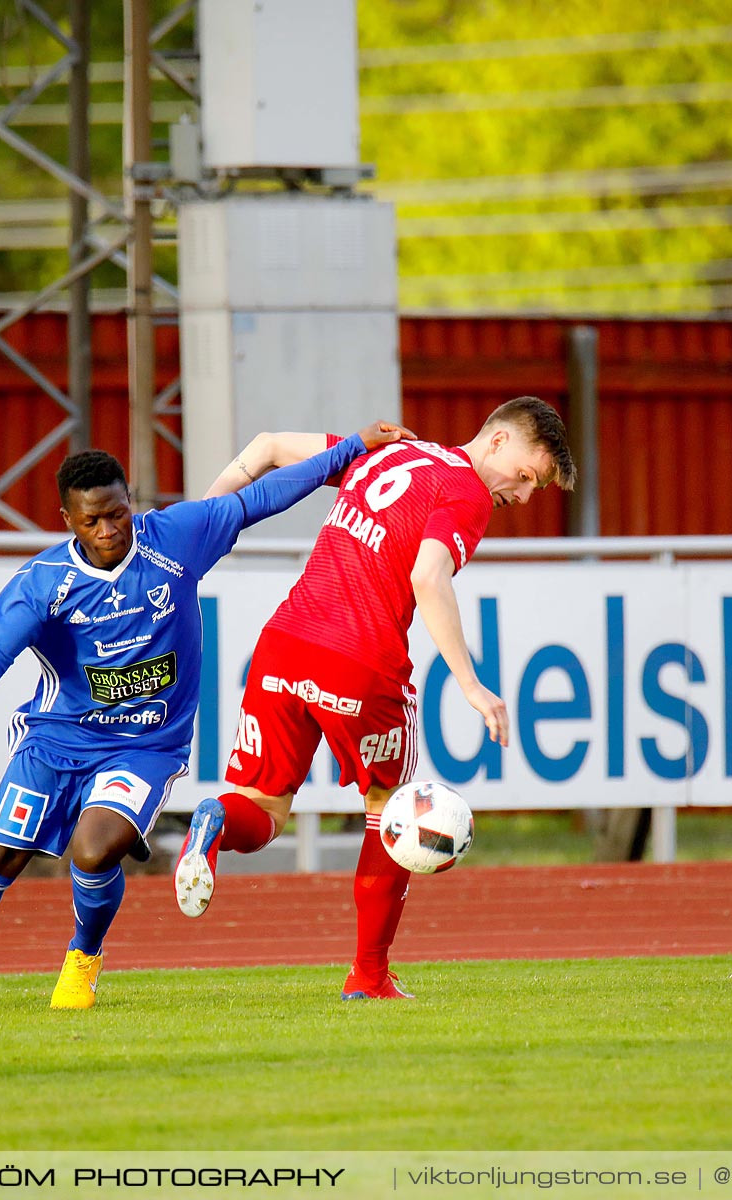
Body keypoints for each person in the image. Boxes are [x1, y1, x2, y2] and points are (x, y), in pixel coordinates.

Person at [0, 420, 413, 1013]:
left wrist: (351, 450)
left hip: (144, 745)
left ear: (130, 501)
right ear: (67, 521)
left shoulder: (176, 537)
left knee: (93, 849)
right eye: (92, 521)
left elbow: (261, 497)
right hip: (56, 738)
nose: (109, 530)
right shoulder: (45, 580)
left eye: (117, 513)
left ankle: (82, 962)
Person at [174, 396, 577, 1000]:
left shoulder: (389, 449)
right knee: (391, 813)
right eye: (525, 477)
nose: (521, 496)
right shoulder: (465, 493)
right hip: (362, 662)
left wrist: (197, 533)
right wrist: (470, 684)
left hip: (283, 644)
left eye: (534, 489)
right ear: (496, 440)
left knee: (261, 808)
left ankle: (212, 822)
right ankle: (367, 976)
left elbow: (264, 448)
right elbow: (427, 575)